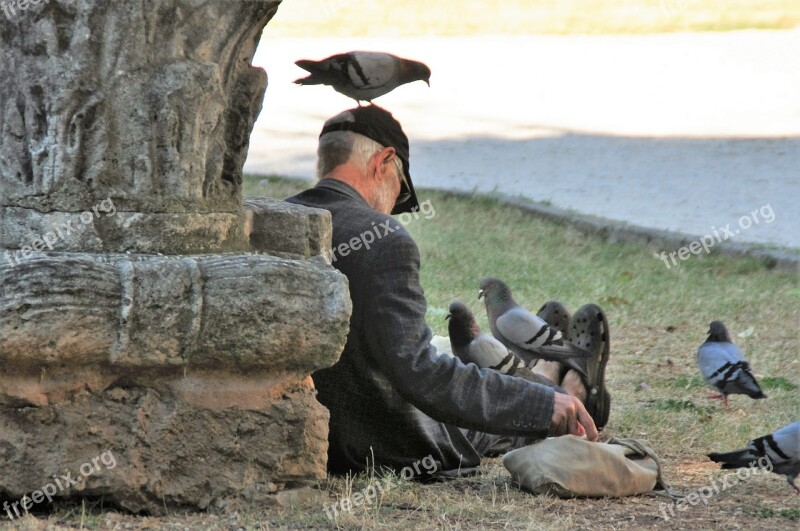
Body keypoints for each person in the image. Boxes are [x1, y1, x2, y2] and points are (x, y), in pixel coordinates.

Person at [286, 105, 610, 476]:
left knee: (473, 371)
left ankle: (548, 380)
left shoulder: (275, 222)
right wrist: (537, 406)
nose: (392, 210)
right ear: (384, 162)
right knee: (482, 413)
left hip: (306, 437)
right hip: (384, 446)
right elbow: (423, 375)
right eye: (401, 192)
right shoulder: (383, 239)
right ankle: (564, 390)